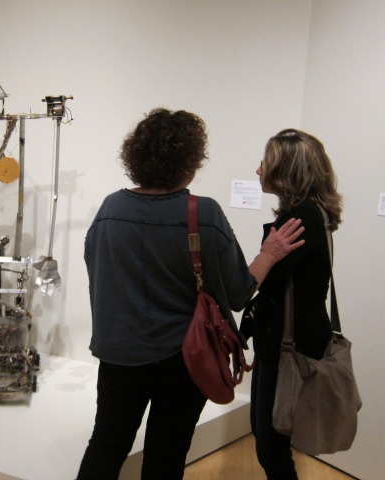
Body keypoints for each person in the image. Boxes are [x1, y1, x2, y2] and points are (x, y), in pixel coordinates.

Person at [76, 109, 305, 480]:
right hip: (183, 359)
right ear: (191, 160)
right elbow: (238, 293)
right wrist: (270, 254)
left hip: (119, 354)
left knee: (106, 445)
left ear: (136, 155)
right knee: (166, 456)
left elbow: (97, 272)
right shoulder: (203, 213)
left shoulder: (109, 209)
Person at [245, 128, 342, 480]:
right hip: (291, 342)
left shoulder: (298, 220)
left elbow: (254, 283)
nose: (258, 171)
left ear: (286, 170)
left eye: (264, 163)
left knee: (270, 441)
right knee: (270, 437)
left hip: (287, 348)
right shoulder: (314, 213)